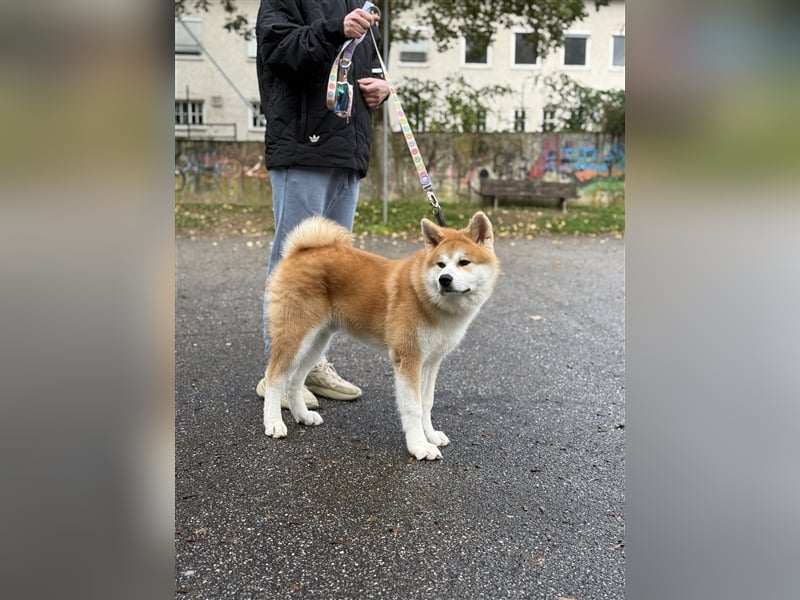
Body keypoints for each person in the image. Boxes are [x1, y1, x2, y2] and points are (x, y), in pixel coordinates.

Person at [254, 0, 389, 406]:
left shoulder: (362, 4)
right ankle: (276, 374)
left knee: (336, 265)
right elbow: (277, 50)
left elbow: (371, 67)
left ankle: (313, 365)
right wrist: (334, 29)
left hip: (348, 150)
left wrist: (381, 87)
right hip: (302, 144)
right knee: (295, 260)